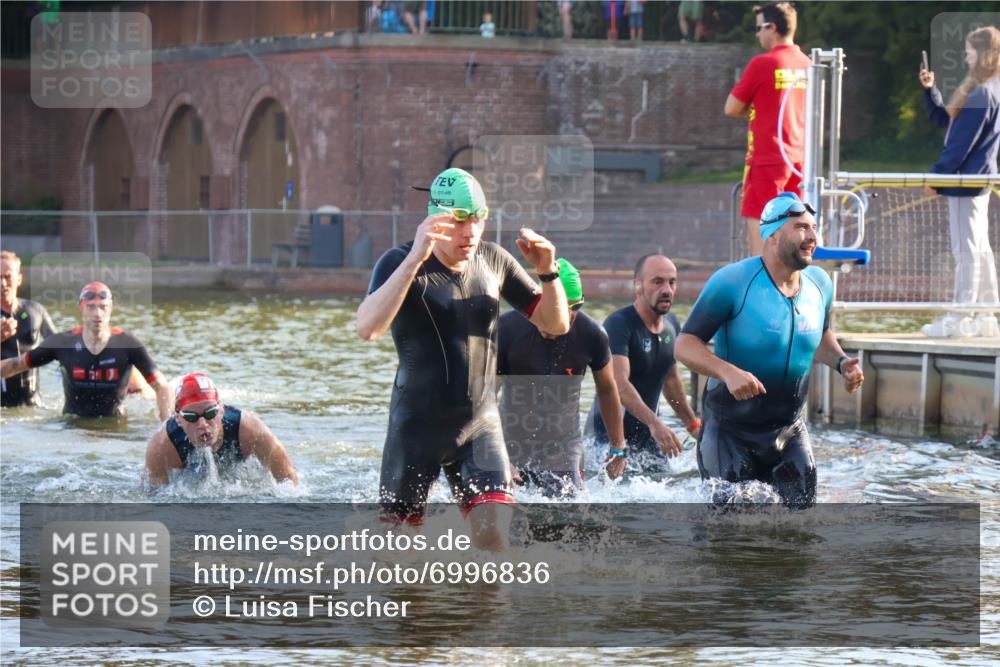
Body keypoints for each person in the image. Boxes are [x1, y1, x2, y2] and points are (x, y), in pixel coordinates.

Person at [356, 167, 569, 550]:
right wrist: (413, 262)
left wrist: (548, 272)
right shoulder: (398, 261)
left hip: (479, 427)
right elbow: (367, 328)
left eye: (478, 219)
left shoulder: (493, 260)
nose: (469, 233)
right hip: (415, 432)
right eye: (458, 221)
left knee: (493, 549)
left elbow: (555, 324)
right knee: (397, 567)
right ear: (435, 218)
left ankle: (478, 612)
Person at [675, 193, 864, 508]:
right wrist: (728, 372)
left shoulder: (820, 283)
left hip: (789, 431)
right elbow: (685, 343)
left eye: (814, 228)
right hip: (730, 432)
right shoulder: (733, 281)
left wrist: (842, 362)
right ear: (773, 235)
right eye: (801, 227)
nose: (813, 237)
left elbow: (820, 333)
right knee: (729, 533)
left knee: (800, 529)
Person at [497, 258, 627, 496]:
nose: (560, 324)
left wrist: (618, 448)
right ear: (537, 302)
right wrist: (499, 456)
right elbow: (483, 397)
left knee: (571, 513)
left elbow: (608, 390)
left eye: (570, 315)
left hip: (563, 446)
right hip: (511, 443)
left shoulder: (592, 335)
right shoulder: (506, 329)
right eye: (552, 314)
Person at [919, 26, 1000, 339]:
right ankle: (987, 316)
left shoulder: (982, 92)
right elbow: (948, 121)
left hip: (967, 182)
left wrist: (936, 179)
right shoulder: (987, 88)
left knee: (967, 250)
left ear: (983, 53)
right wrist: (931, 91)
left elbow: (960, 146)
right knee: (978, 249)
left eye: (969, 51)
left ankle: (960, 318)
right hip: (976, 181)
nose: (965, 56)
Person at [0, 281, 172, 420]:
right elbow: (16, 365)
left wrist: (166, 426)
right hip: (71, 427)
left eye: (103, 307)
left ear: (111, 308)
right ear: (81, 308)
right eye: (91, 307)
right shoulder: (63, 342)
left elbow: (162, 387)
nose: (97, 314)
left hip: (114, 429)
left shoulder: (128, 344)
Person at [589, 254, 700, 463]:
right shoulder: (619, 325)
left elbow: (671, 381)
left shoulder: (672, 325)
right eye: (657, 282)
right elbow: (618, 384)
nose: (666, 290)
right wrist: (655, 424)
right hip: (609, 442)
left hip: (650, 439)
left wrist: (693, 425)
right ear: (638, 286)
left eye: (672, 282)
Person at [724, 2, 810, 256]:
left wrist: (753, 107)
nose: (757, 35)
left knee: (763, 246)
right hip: (800, 163)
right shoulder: (808, 65)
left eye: (759, 28)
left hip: (767, 160)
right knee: (795, 242)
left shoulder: (763, 63)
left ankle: (763, 293)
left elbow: (731, 107)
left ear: (772, 28)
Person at [143, 373, 299, 489]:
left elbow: (290, 484)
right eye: (191, 417)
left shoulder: (251, 432)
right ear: (178, 419)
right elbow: (152, 500)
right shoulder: (162, 447)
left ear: (221, 411)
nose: (203, 424)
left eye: (210, 413)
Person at [1, 250, 56, 407]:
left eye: (7, 277)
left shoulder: (35, 311)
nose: (3, 284)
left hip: (33, 408)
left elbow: (61, 347)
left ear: (18, 279)